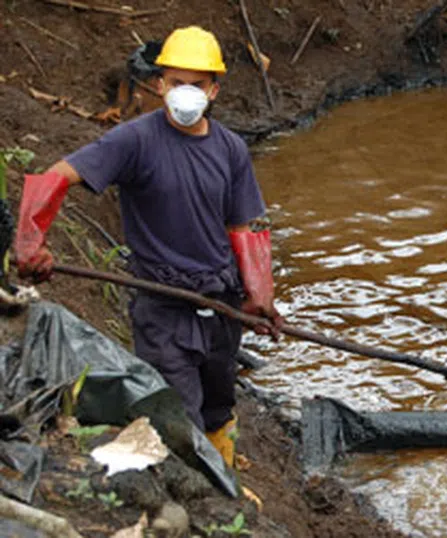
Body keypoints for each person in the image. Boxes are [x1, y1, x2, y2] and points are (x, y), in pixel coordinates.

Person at [13, 26, 282, 467]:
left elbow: (245, 227)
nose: (186, 93)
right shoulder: (135, 140)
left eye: (197, 85)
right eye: (177, 83)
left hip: (220, 302)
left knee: (218, 404)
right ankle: (207, 504)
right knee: (182, 417)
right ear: (159, 85)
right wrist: (30, 241)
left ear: (214, 89)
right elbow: (56, 177)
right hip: (164, 309)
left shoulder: (231, 149)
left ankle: (227, 477)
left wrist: (259, 295)